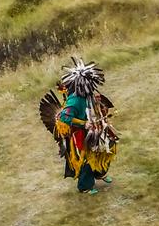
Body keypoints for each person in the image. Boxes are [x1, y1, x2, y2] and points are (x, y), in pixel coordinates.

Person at [41, 58, 118, 193]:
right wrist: (84, 123)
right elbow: (64, 117)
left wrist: (99, 105)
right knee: (87, 157)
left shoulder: (88, 93)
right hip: (80, 133)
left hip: (96, 127)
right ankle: (85, 186)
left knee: (106, 147)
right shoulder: (75, 100)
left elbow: (93, 105)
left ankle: (100, 173)